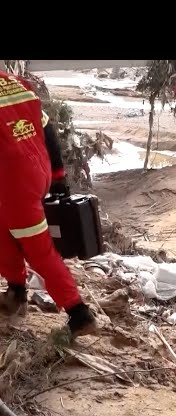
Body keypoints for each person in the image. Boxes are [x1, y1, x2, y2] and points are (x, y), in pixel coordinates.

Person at [0, 70, 97, 340]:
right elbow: (46, 128)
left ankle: (79, 313)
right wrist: (57, 176)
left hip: (13, 183)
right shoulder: (12, 82)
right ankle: (16, 290)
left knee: (39, 250)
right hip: (34, 171)